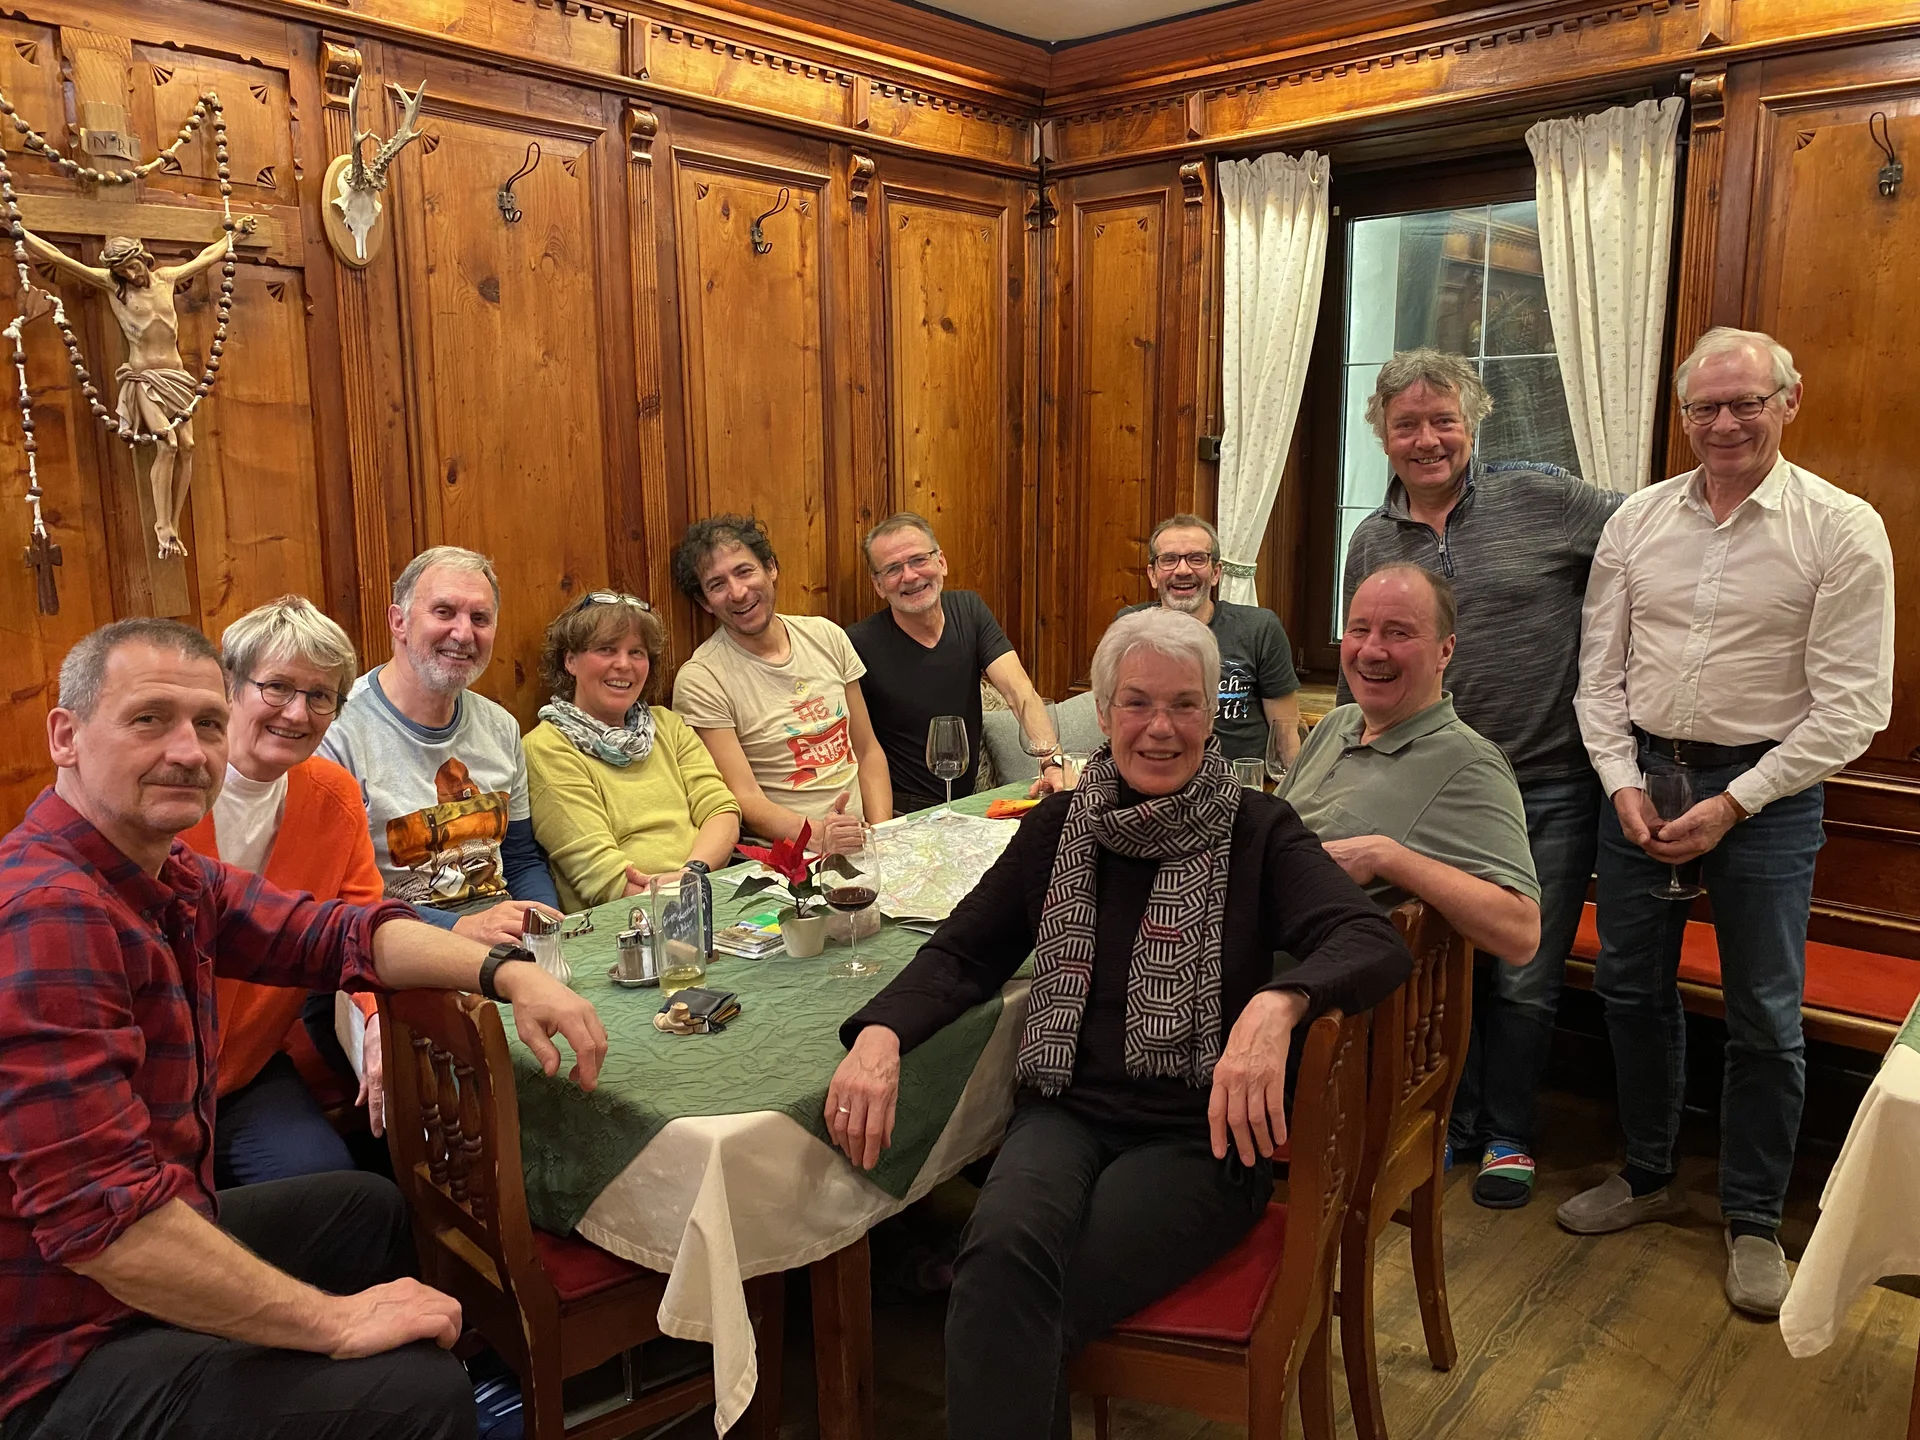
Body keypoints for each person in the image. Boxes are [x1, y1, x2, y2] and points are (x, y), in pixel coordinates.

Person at [0, 618, 607, 1440]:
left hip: (126, 1260)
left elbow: (334, 932)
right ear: (66, 736)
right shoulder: (49, 915)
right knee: (418, 1392)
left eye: (207, 723)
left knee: (366, 1209)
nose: (188, 750)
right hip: (60, 1354)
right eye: (149, 720)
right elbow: (108, 1232)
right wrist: (336, 1325)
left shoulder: (161, 871)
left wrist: (507, 972)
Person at [825, 607, 1409, 1440]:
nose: (1159, 728)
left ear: (1211, 714)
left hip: (1200, 1138)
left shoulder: (1258, 831)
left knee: (1020, 1301)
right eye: (1136, 703)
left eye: (1183, 704)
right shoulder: (1058, 826)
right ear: (1103, 714)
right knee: (999, 1258)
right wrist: (881, 1036)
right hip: (1064, 1113)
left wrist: (1279, 1002)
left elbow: (1369, 940)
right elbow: (965, 951)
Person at [1566, 327, 1894, 1317]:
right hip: (1642, 777)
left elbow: (1854, 708)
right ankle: (1649, 1172)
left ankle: (1753, 1217)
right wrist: (1621, 783)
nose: (1725, 423)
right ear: (1683, 416)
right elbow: (1598, 677)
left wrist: (1732, 803)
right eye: (1704, 407)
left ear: (1788, 401)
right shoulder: (1637, 521)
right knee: (1629, 988)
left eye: (1746, 402)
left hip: (1769, 798)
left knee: (1764, 1015)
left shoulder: (1841, 528)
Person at [1340, 347, 1623, 1209]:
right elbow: (1364, 658)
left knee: (1525, 974)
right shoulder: (1371, 539)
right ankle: (1448, 1124)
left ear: (1473, 423)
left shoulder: (1544, 499)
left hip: (1547, 783)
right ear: (1383, 436)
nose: (1427, 439)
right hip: (1433, 784)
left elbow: (1653, 538)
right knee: (1439, 963)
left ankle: (1509, 1133)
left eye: (1443, 421)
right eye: (1407, 425)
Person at [175, 596, 389, 1187]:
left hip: (247, 1073)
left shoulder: (334, 797)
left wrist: (378, 1022)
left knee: (330, 1191)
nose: (297, 713)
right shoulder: (168, 788)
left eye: (320, 696)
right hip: (147, 1080)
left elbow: (361, 925)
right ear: (230, 686)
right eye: (276, 687)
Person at [1282, 564, 1541, 964]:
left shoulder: (1470, 763)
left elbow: (1522, 934)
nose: (1371, 651)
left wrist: (1385, 856)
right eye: (1359, 630)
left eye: (1398, 633)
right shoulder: (1337, 723)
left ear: (1445, 651)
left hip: (1307, 989)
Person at [320, 546, 562, 942]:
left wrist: (545, 927)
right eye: (444, 612)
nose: (464, 634)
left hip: (503, 939)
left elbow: (520, 860)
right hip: (397, 946)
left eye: (479, 618)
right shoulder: (337, 731)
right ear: (398, 621)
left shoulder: (501, 726)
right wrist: (461, 928)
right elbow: (342, 896)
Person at [16, 219, 258, 560]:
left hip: (175, 376)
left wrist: (236, 237)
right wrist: (19, 230)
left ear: (143, 258)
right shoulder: (113, 287)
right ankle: (162, 525)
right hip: (144, 378)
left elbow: (205, 258)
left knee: (188, 446)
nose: (131, 275)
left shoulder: (166, 278)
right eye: (123, 272)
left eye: (133, 266)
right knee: (168, 444)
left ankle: (173, 523)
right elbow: (59, 258)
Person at [671, 514, 890, 852]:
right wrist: (819, 835)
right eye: (717, 585)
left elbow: (867, 750)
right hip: (785, 858)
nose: (738, 592)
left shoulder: (826, 635)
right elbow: (743, 798)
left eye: (745, 571)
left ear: (771, 568)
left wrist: (882, 834)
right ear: (705, 602)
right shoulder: (701, 679)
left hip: (864, 841)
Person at [526, 590, 741, 909]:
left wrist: (692, 873)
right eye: (606, 649)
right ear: (570, 660)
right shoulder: (547, 748)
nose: (624, 664)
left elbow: (721, 810)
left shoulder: (667, 725)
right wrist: (678, 898)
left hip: (703, 888)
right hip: (626, 916)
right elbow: (603, 876)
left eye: (636, 652)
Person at [848, 512, 1064, 811]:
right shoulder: (856, 643)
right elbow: (859, 749)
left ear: (941, 562)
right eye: (893, 569)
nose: (909, 576)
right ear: (878, 585)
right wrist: (883, 829)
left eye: (918, 560)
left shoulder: (969, 610)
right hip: (901, 809)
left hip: (966, 803)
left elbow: (1019, 691)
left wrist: (1052, 763)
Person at [1118, 513, 1302, 766]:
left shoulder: (1259, 628)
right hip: (1157, 776)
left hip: (1242, 783)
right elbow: (1119, 719)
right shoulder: (1130, 626)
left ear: (1215, 573)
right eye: (1169, 560)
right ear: (1152, 574)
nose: (1183, 570)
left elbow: (1286, 732)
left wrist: (1295, 786)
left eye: (1197, 559)